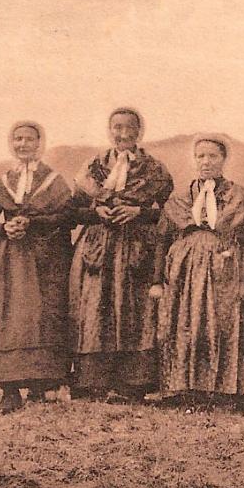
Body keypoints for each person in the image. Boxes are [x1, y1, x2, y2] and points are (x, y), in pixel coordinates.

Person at [68, 107, 174, 402]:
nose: (123, 134)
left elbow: (170, 212)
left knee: (135, 313)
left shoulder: (154, 169)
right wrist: (95, 211)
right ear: (109, 130)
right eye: (117, 127)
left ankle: (133, 384)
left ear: (140, 132)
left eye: (130, 128)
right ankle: (94, 382)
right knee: (95, 310)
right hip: (97, 249)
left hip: (136, 248)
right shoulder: (92, 168)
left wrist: (139, 211)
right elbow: (73, 210)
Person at [0, 121, 74, 410]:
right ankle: (10, 388)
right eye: (18, 139)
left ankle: (43, 386)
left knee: (42, 319)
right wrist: (3, 228)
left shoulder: (54, 181)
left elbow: (66, 217)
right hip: (9, 263)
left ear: (40, 143)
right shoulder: (4, 182)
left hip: (46, 261)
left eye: (29, 139)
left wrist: (33, 223)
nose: (23, 144)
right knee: (9, 321)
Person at [153, 133, 244, 409]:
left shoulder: (237, 196)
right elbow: (162, 238)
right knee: (185, 325)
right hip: (184, 273)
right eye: (201, 156)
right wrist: (157, 281)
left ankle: (225, 391)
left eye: (213, 156)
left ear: (224, 159)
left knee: (222, 324)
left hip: (224, 269)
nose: (206, 162)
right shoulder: (180, 197)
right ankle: (183, 389)